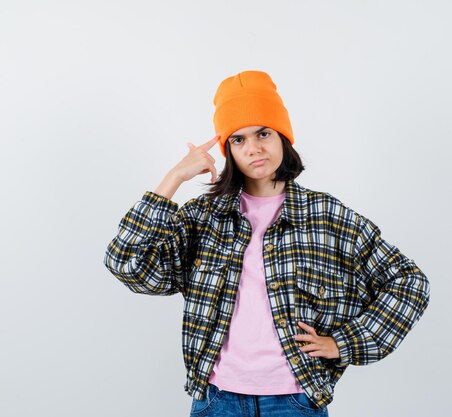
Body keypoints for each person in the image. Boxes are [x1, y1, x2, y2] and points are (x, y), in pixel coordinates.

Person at [103, 70, 430, 417]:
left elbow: (408, 282)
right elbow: (127, 263)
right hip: (218, 398)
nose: (254, 148)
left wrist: (342, 344)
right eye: (238, 140)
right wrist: (174, 178)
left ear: (282, 138)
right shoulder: (205, 217)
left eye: (263, 133)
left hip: (293, 400)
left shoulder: (325, 215)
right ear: (228, 150)